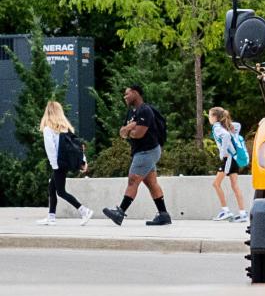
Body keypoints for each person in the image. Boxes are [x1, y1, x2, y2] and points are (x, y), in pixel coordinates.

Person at [102, 84, 171, 226]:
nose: (124, 96)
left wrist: (129, 131)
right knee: (152, 183)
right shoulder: (131, 112)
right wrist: (129, 127)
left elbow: (139, 134)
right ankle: (164, 215)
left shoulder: (145, 111)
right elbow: (122, 132)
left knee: (133, 180)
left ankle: (120, 212)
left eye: (127, 94)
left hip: (147, 151)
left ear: (135, 93)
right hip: (142, 152)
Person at [36, 101, 92, 226]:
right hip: (65, 163)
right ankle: (51, 217)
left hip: (58, 164)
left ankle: (84, 211)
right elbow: (78, 146)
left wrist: (54, 166)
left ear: (48, 112)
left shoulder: (48, 129)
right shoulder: (65, 129)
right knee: (52, 188)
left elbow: (51, 150)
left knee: (61, 191)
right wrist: (83, 161)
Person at [209, 107, 248, 223]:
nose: (209, 118)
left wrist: (222, 152)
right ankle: (242, 213)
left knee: (216, 184)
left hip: (229, 159)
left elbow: (225, 136)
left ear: (215, 117)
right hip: (234, 158)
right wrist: (228, 123)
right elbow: (238, 125)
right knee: (235, 186)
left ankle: (225, 211)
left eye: (210, 116)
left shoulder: (217, 127)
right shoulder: (225, 126)